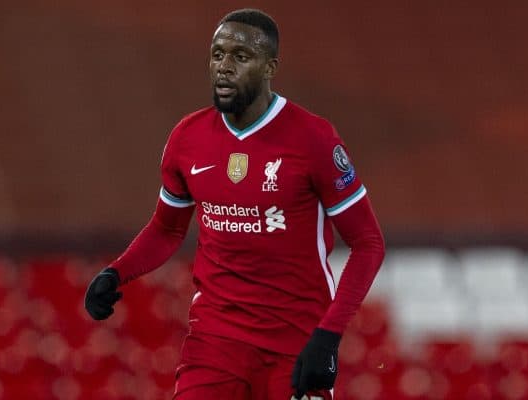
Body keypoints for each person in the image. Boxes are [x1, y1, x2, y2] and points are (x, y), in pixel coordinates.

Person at [84, 8, 385, 400]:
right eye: (217, 54)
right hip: (215, 340)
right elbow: (167, 228)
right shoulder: (187, 138)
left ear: (269, 67)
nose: (224, 67)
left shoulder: (314, 139)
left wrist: (328, 336)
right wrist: (116, 272)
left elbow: (367, 244)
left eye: (240, 57)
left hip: (295, 342)